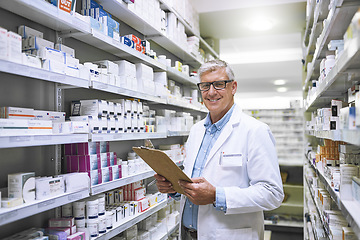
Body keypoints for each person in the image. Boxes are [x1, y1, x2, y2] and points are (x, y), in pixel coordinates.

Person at [154, 59, 284, 240]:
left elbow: (272, 194)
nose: (211, 92)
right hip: (188, 234)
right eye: (205, 86)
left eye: (219, 84)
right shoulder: (196, 130)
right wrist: (174, 188)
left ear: (233, 87)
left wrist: (217, 196)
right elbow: (193, 180)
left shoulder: (255, 131)